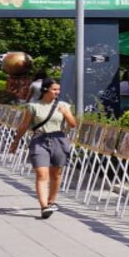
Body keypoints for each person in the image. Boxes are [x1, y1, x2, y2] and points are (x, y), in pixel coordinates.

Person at [11, 78, 78, 219]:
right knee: (42, 174)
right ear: (45, 89)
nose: (57, 92)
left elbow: (73, 124)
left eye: (58, 89)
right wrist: (16, 142)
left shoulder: (63, 105)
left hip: (59, 139)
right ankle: (44, 206)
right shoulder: (33, 106)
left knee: (56, 174)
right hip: (39, 140)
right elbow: (24, 125)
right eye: (54, 89)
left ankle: (51, 201)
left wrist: (66, 114)